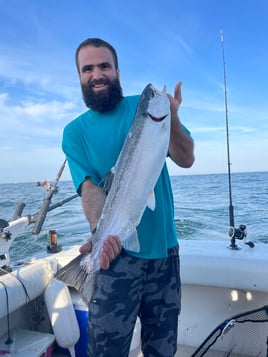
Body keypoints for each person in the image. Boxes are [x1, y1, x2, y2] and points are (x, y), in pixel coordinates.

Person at [62, 38, 194, 357]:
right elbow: (90, 189)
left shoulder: (144, 108)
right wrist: (101, 235)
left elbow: (185, 157)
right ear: (79, 76)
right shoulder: (74, 133)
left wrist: (172, 118)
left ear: (117, 71)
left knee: (161, 350)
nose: (97, 74)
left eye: (104, 66)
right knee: (106, 351)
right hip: (115, 259)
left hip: (164, 254)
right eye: (88, 68)